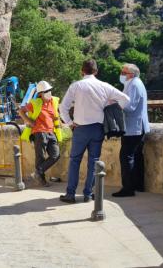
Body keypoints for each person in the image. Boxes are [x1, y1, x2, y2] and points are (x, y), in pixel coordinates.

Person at [58, 59, 130, 203]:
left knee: (75, 161)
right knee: (94, 162)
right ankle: (88, 194)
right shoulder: (104, 86)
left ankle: (70, 194)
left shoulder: (76, 86)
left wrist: (70, 123)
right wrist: (111, 106)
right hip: (98, 128)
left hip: (80, 129)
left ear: (82, 71)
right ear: (96, 72)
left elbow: (63, 108)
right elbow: (125, 99)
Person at [113, 64, 151, 197]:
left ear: (132, 74)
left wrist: (115, 104)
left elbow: (130, 106)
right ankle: (138, 185)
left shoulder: (134, 85)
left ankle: (128, 188)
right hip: (136, 126)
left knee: (126, 156)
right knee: (137, 156)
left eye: (124, 72)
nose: (121, 74)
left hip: (133, 127)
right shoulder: (134, 83)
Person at [19, 81, 63, 187]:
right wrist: (29, 121)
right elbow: (21, 111)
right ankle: (41, 180)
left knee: (55, 155)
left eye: (49, 90)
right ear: (40, 94)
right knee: (40, 157)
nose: (49, 92)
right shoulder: (35, 103)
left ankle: (37, 172)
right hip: (39, 132)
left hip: (51, 132)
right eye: (46, 91)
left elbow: (56, 117)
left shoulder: (54, 102)